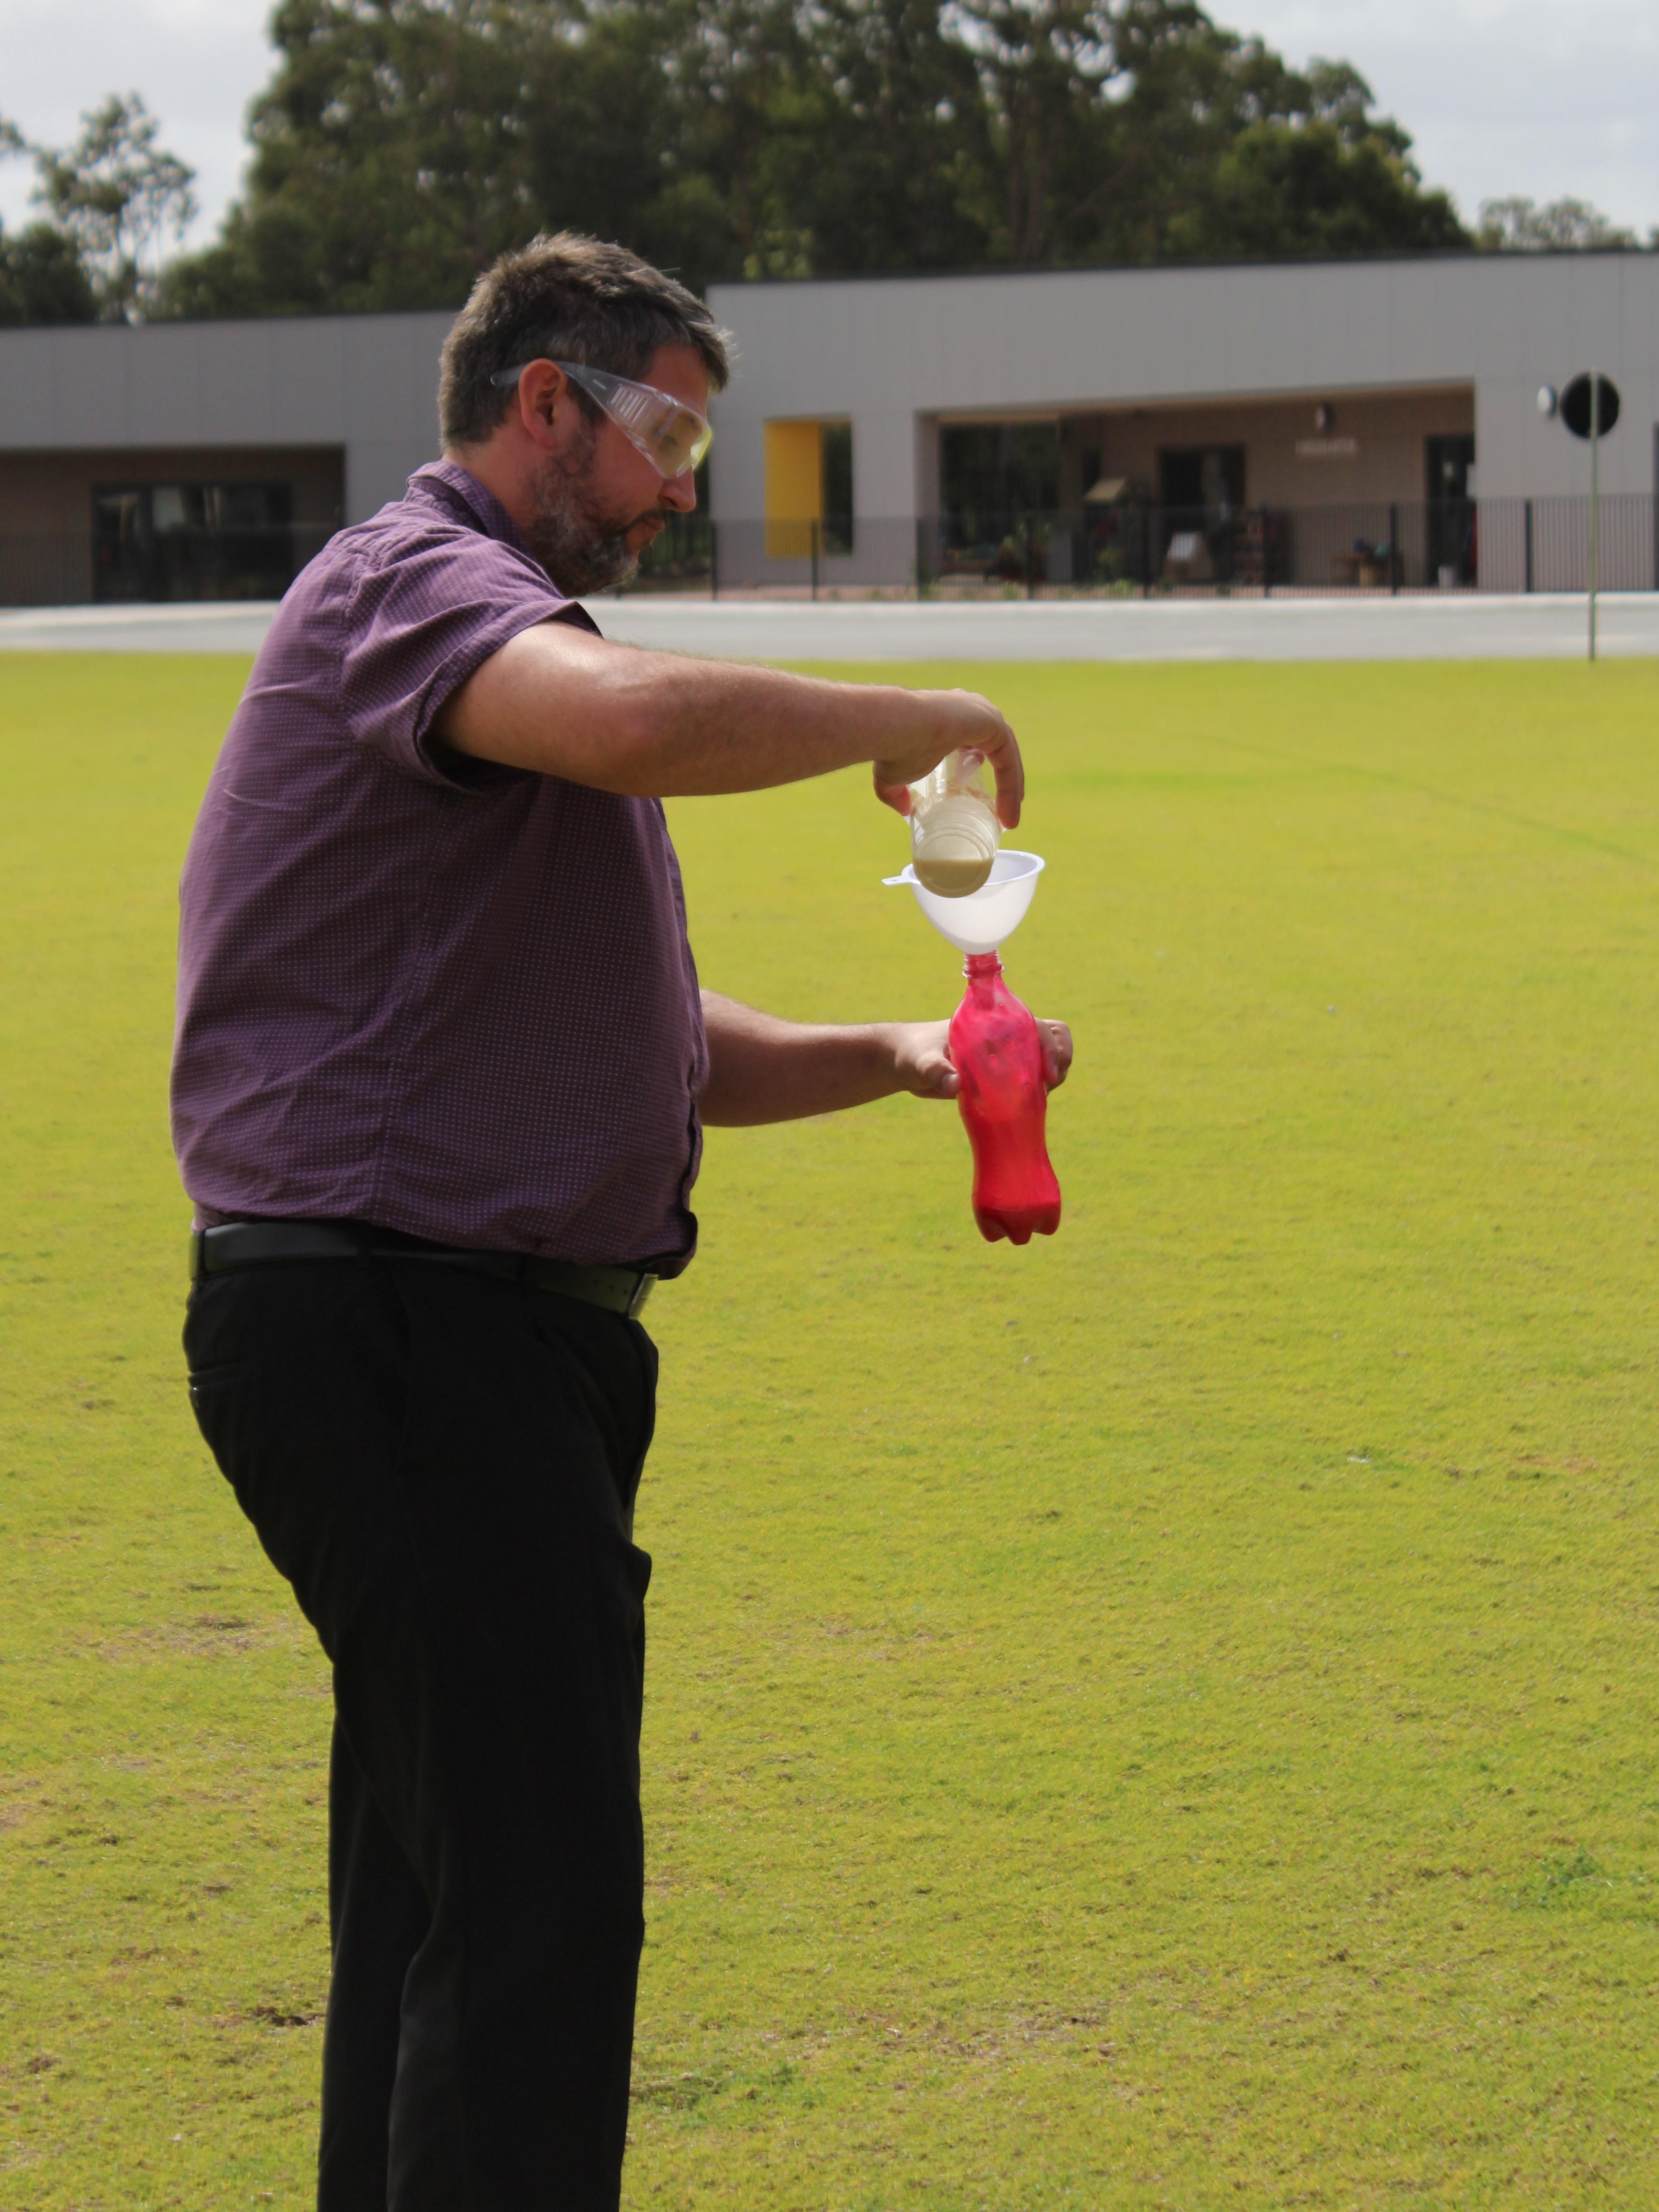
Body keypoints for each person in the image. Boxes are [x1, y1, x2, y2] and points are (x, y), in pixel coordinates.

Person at [170, 232, 1071, 2211]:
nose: (681, 487)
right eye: (666, 433)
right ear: (542, 402)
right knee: (535, 1922)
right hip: (417, 1330)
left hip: (449, 1336)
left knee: (442, 1901)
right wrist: (908, 708)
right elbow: (648, 726)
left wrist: (902, 1052)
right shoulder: (423, 585)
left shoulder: (509, 660)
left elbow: (646, 1038)